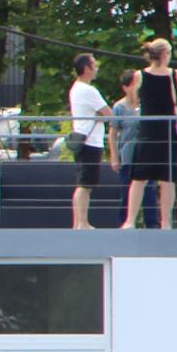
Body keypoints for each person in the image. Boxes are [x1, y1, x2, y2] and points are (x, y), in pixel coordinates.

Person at [125, 38, 177, 230]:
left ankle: (130, 221)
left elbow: (134, 102)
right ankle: (166, 222)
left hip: (148, 130)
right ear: (164, 54)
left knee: (139, 178)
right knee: (167, 179)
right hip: (167, 130)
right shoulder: (174, 74)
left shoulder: (139, 75)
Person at [67, 53, 110, 229]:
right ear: (87, 68)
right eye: (94, 65)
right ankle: (82, 222)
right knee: (86, 184)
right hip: (90, 141)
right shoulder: (88, 90)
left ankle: (79, 222)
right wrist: (100, 117)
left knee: (83, 183)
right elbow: (109, 113)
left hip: (82, 138)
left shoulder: (75, 88)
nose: (97, 68)